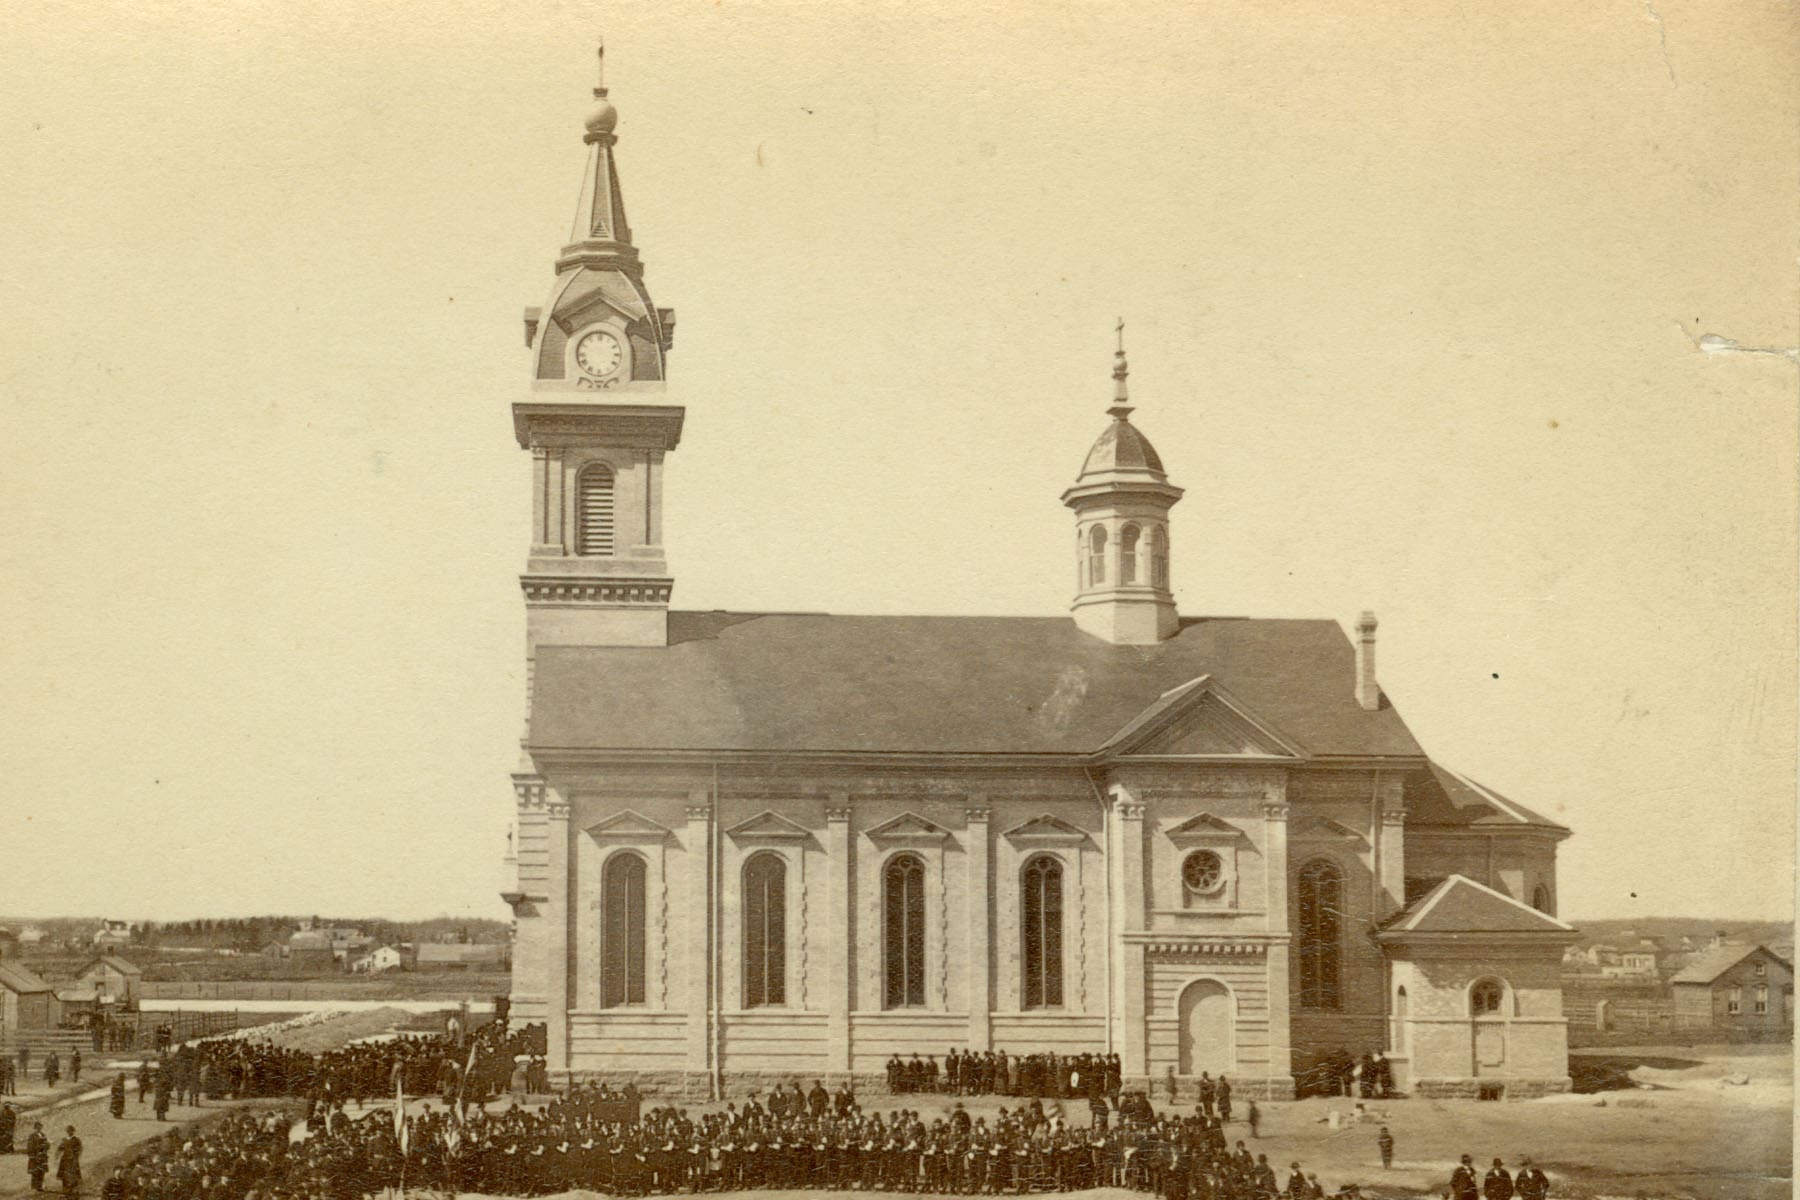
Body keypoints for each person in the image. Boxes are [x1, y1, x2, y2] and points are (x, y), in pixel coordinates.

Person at [55, 1125, 81, 1195]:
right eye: (68, 1131)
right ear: (66, 1132)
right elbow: (60, 1147)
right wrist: (57, 1154)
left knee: (73, 1174)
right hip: (65, 1159)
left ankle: (73, 1189)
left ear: (73, 1131)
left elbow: (79, 1149)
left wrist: (76, 1157)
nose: (69, 1132)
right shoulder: (64, 1139)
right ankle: (65, 1189)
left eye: (71, 1131)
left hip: (72, 1160)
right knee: (64, 1175)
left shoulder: (76, 1140)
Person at [26, 1121, 50, 1191]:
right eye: (37, 1127)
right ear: (35, 1127)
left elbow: (46, 1144)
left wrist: (47, 1146)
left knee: (42, 1171)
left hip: (42, 1156)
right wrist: (33, 1155)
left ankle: (40, 1186)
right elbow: (30, 1146)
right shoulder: (32, 1136)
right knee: (35, 1172)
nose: (39, 1128)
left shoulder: (43, 1135)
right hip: (35, 1156)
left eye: (40, 1127)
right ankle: (34, 1187)